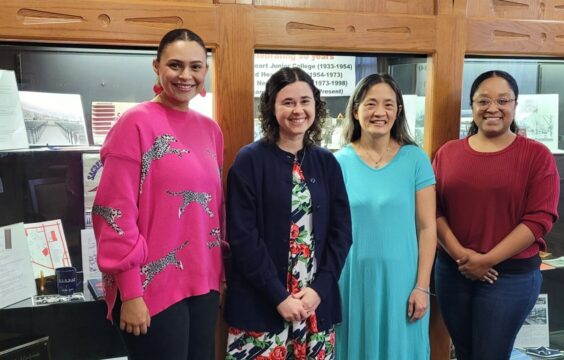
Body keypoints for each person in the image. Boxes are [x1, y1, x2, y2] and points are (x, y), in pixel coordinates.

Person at [92, 28, 223, 360]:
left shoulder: (210, 130)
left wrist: (219, 277)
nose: (185, 75)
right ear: (156, 67)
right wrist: (131, 292)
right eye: (175, 65)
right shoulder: (134, 123)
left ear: (205, 71)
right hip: (150, 289)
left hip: (204, 285)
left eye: (196, 66)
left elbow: (212, 211)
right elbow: (114, 213)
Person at [224, 67, 352, 359]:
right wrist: (279, 296)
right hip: (262, 303)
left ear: (316, 107)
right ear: (272, 107)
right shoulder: (249, 161)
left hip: (315, 306)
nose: (298, 110)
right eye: (288, 102)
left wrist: (319, 290)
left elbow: (342, 233)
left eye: (305, 101)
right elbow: (243, 238)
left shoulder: (327, 162)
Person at [432, 70, 560, 360]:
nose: (492, 108)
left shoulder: (537, 155)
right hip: (454, 270)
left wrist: (486, 260)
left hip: (510, 276)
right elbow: (434, 208)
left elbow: (540, 218)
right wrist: (462, 256)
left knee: (491, 354)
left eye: (502, 100)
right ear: (472, 105)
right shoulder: (448, 153)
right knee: (464, 352)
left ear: (515, 105)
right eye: (483, 100)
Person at [334, 73, 437, 360]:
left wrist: (422, 286)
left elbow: (428, 228)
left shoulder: (415, 159)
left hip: (403, 283)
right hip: (351, 280)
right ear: (356, 110)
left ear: (398, 111)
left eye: (389, 105)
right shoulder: (337, 162)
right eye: (371, 104)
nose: (380, 112)